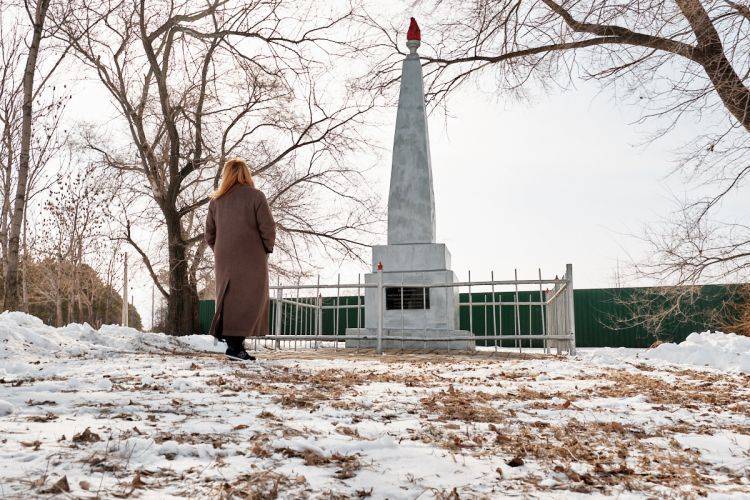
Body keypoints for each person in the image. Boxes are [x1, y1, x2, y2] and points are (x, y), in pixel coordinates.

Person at [205, 158, 276, 361]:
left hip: (224, 259)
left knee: (229, 299)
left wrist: (220, 250)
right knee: (251, 299)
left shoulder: (216, 202)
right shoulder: (256, 196)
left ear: (226, 175)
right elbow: (268, 228)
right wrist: (265, 249)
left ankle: (235, 346)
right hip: (252, 257)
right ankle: (235, 346)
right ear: (246, 173)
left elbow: (209, 234)